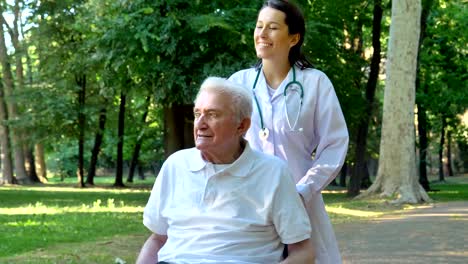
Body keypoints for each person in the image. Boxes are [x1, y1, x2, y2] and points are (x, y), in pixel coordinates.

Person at [136, 77, 315, 264]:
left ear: (242, 126)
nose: (200, 124)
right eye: (198, 114)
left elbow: (303, 252)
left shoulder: (273, 172)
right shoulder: (175, 165)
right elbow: (158, 239)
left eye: (212, 114)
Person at [229, 1, 349, 263]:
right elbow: (224, 142)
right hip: (247, 202)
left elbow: (334, 144)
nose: (262, 33)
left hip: (300, 201)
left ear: (293, 38)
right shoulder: (238, 84)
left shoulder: (315, 82)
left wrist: (304, 190)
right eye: (259, 26)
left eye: (272, 27)